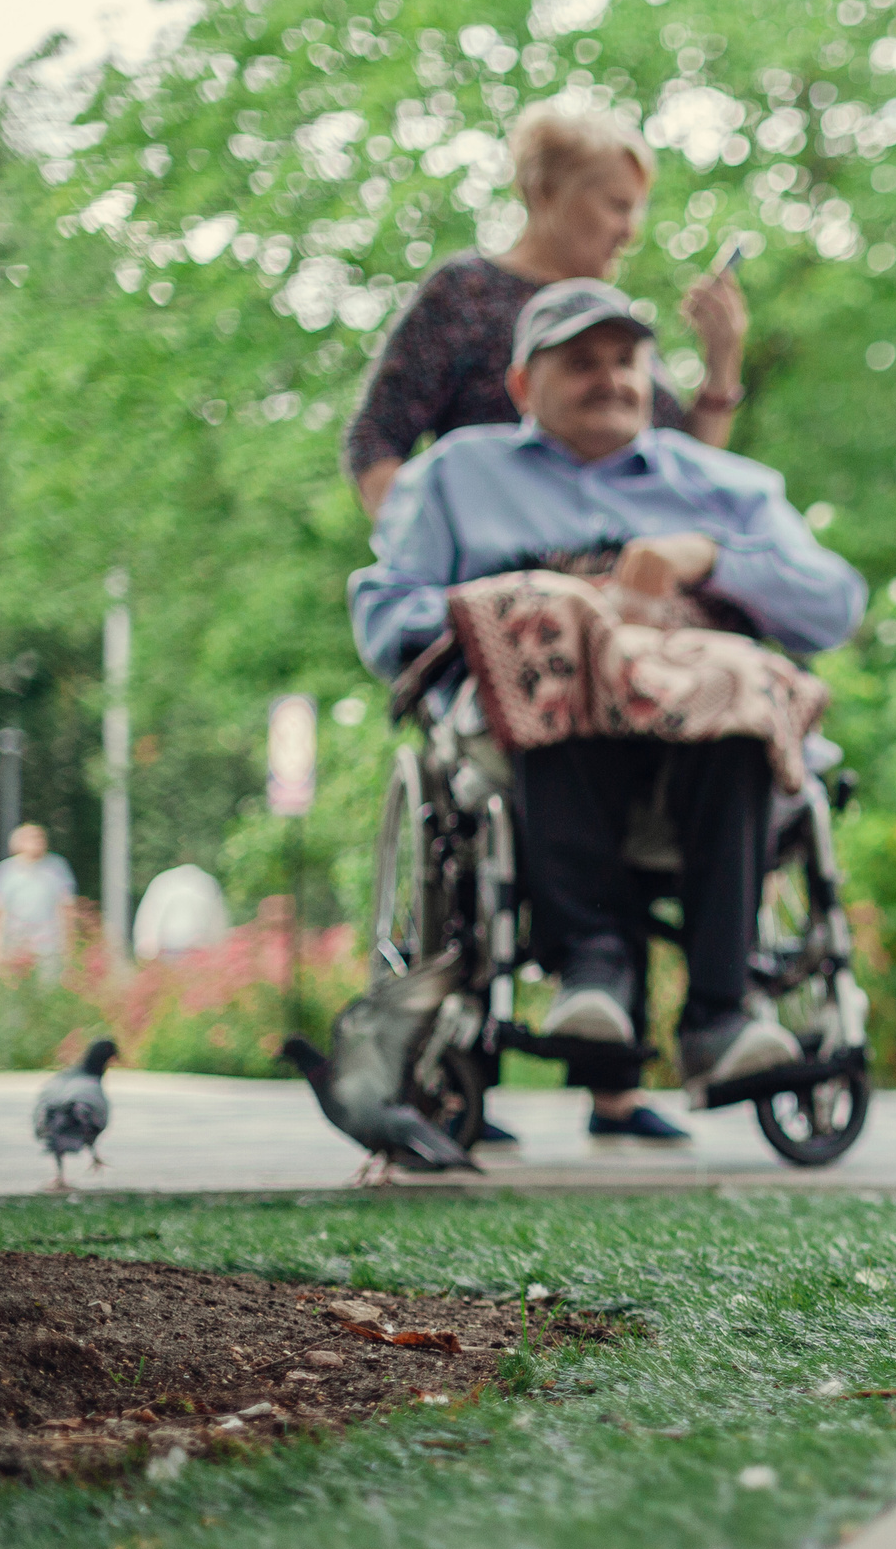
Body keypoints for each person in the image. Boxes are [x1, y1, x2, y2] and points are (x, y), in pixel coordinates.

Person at [349, 278, 866, 1142]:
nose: (611, 379)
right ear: (523, 385)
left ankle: (719, 1012)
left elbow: (834, 604)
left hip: (701, 728)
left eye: (626, 360)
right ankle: (592, 967)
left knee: (735, 686)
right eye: (581, 362)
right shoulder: (453, 477)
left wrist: (709, 559)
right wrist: (521, 607)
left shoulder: (722, 486)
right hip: (530, 724)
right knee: (553, 632)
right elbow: (383, 616)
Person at [341, 106, 750, 518]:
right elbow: (375, 438)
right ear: (545, 192)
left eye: (637, 210)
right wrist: (435, 546)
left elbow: (684, 470)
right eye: (617, 206)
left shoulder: (613, 318)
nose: (631, 231)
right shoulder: (467, 292)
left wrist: (721, 361)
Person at [0, 824, 78, 980]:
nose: (38, 841)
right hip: (14, 944)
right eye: (32, 837)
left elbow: (67, 907)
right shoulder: (4, 871)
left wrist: (70, 945)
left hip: (49, 944)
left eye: (40, 837)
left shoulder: (57, 868)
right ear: (18, 843)